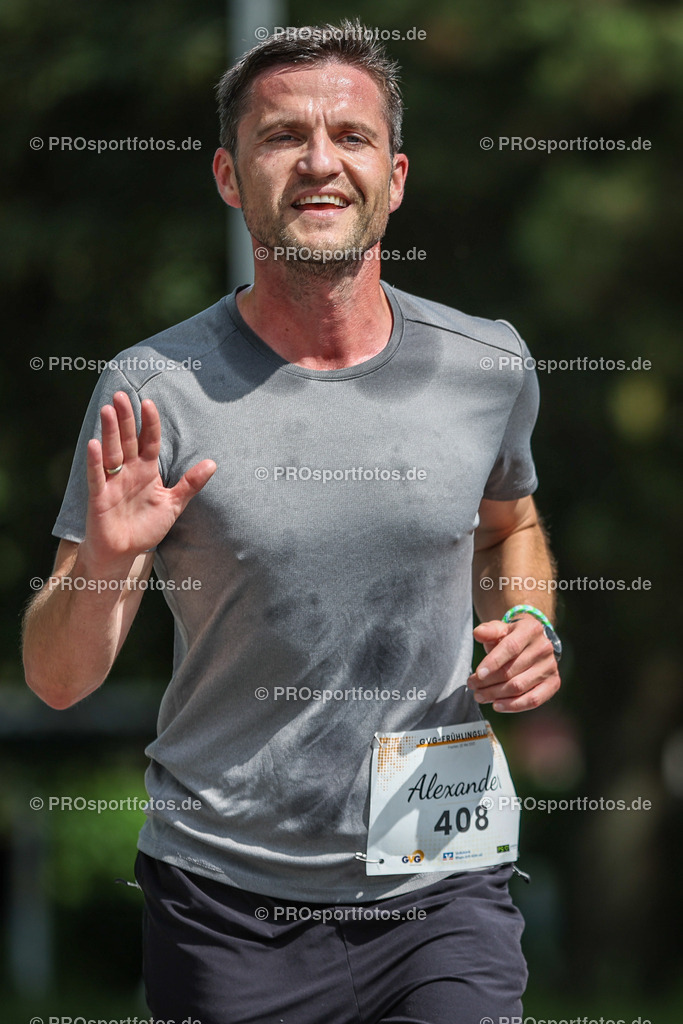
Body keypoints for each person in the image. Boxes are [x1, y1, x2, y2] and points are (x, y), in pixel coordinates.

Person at [22, 21, 561, 1024]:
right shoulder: (154, 391)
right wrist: (103, 560)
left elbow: (507, 526)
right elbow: (57, 679)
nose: (320, 161)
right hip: (228, 898)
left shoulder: (487, 365)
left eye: (349, 136)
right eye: (282, 138)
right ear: (230, 177)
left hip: (440, 873)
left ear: (393, 176)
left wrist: (531, 624)